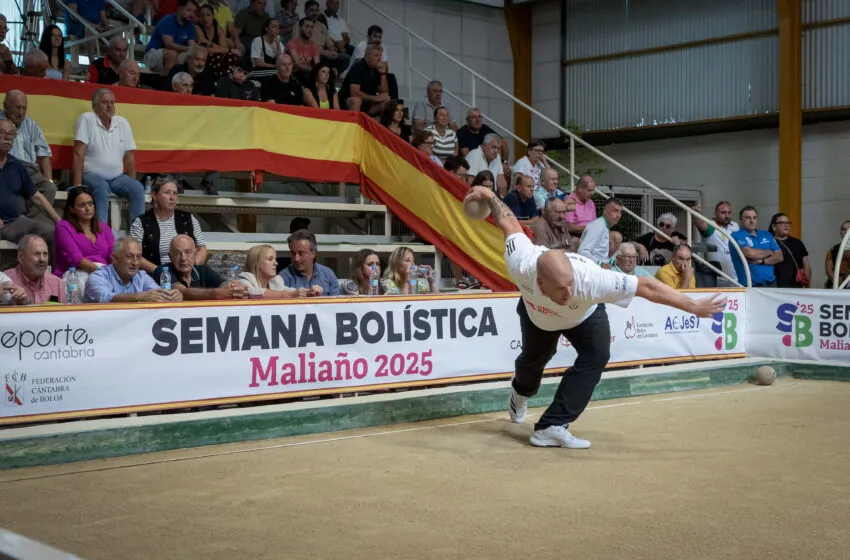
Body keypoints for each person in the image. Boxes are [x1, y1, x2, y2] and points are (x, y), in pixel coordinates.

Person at [462, 186, 726, 448]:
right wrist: (490, 196)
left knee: (597, 355)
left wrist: (693, 306)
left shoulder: (591, 280)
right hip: (539, 317)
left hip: (585, 315)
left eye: (570, 285)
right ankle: (520, 392)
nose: (568, 292)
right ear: (540, 282)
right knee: (532, 363)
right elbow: (508, 221)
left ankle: (552, 426)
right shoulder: (521, 261)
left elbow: (647, 287)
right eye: (561, 289)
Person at [73, 89, 145, 224]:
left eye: (112, 102)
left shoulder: (122, 123)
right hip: (90, 174)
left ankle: (138, 232)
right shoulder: (86, 119)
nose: (110, 106)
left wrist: (131, 183)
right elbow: (78, 153)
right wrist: (77, 187)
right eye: (105, 102)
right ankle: (101, 232)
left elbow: (130, 157)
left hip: (116, 177)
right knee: (101, 188)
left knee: (137, 189)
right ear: (94, 106)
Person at [129, 175, 207, 273]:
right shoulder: (141, 222)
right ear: (155, 195)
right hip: (155, 275)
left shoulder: (188, 218)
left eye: (175, 193)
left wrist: (191, 267)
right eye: (167, 193)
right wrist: (161, 273)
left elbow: (202, 248)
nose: (172, 197)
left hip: (187, 273)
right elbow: (135, 255)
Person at [1, 90, 57, 227]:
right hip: (8, 167)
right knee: (16, 192)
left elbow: (44, 154)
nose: (21, 112)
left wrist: (49, 179)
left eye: (24, 108)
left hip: (31, 171)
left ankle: (31, 225)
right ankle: (21, 225)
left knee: (50, 188)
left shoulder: (32, 124)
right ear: (5, 106)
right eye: (17, 107)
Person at [0, 120, 58, 244]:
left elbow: (36, 196)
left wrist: (60, 222)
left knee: (52, 234)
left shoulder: (16, 165)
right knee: (31, 241)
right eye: (2, 132)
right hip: (3, 225)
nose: (7, 137)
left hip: (15, 222)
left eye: (11, 134)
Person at [84, 237, 184, 303]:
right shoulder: (97, 277)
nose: (135, 263)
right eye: (129, 256)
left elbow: (158, 294)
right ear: (115, 258)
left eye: (138, 257)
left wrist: (172, 296)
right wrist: (139, 297)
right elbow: (105, 298)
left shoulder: (141, 276)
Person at [53, 186, 115, 290]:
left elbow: (114, 256)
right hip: (75, 274)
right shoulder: (63, 227)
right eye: (82, 205)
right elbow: (76, 258)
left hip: (103, 274)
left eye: (90, 204)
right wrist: (102, 274)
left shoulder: (104, 228)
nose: (88, 208)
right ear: (72, 209)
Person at [152, 235, 247, 300]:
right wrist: (216, 293)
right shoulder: (163, 271)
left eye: (188, 252)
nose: (183, 258)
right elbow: (182, 292)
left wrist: (235, 289)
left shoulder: (203, 270)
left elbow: (224, 288)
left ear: (195, 254)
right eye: (177, 253)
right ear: (170, 256)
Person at [729, 206, 783, 287]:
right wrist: (769, 252)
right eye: (748, 218)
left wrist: (762, 261)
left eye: (754, 218)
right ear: (741, 220)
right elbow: (749, 253)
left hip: (771, 284)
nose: (752, 221)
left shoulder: (767, 234)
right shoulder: (736, 235)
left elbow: (780, 256)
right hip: (750, 287)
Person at [3, 234, 65, 304]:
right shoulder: (5, 282)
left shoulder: (57, 284)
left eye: (45, 254)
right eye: (37, 254)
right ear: (21, 257)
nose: (42, 259)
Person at [144, 0, 199, 75]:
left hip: (176, 54)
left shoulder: (190, 26)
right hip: (152, 54)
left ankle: (187, 81)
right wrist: (189, 49)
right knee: (172, 54)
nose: (192, 14)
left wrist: (195, 49)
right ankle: (167, 81)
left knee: (194, 58)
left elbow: (191, 45)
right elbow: (169, 45)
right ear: (180, 9)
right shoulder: (168, 20)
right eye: (189, 10)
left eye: (193, 12)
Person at [694, 201, 740, 287]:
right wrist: (696, 214)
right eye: (723, 212)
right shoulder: (711, 225)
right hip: (718, 279)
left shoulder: (735, 225)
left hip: (737, 279)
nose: (727, 216)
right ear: (715, 214)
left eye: (729, 212)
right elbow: (700, 224)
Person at [280, 229, 340, 295]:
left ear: (313, 254)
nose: (296, 259)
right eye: (293, 253)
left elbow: (336, 301)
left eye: (301, 253)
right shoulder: (283, 278)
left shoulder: (328, 275)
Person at [238, 243, 306, 298]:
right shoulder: (244, 279)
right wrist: (288, 295)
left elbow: (292, 291)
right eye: (270, 259)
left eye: (275, 259)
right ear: (256, 263)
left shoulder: (275, 281)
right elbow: (250, 292)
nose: (276, 263)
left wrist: (308, 292)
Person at [195, 3, 242, 78]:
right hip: (204, 55)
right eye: (202, 16)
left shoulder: (218, 29)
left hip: (217, 54)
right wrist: (230, 50)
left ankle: (229, 78)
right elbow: (207, 49)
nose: (205, 18)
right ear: (199, 18)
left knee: (229, 56)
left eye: (208, 15)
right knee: (217, 57)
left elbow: (223, 48)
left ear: (213, 16)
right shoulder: (197, 28)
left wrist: (217, 47)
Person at [339, 44, 388, 115]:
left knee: (387, 101)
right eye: (376, 55)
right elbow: (354, 93)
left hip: (367, 103)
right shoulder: (357, 67)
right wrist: (374, 98)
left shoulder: (377, 68)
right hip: (347, 103)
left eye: (380, 55)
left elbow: (384, 93)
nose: (379, 59)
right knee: (356, 101)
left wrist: (383, 74)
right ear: (367, 57)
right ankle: (355, 122)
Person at [768, 213, 810, 288]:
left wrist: (807, 285)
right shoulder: (768, 243)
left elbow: (806, 264)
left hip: (796, 287)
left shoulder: (797, 243)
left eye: (788, 223)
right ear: (774, 226)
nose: (786, 225)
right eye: (782, 223)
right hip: (774, 287)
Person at [578, 198, 623, 266]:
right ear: (605, 211)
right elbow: (582, 251)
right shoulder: (598, 225)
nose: (618, 215)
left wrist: (614, 262)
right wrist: (601, 264)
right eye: (615, 211)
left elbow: (601, 255)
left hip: (600, 266)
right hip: (593, 268)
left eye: (620, 212)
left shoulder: (603, 225)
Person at [825, 219, 850, 289]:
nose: (847, 231)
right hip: (838, 285)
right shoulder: (833, 250)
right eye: (843, 229)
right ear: (841, 233)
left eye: (849, 229)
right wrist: (838, 284)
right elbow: (829, 271)